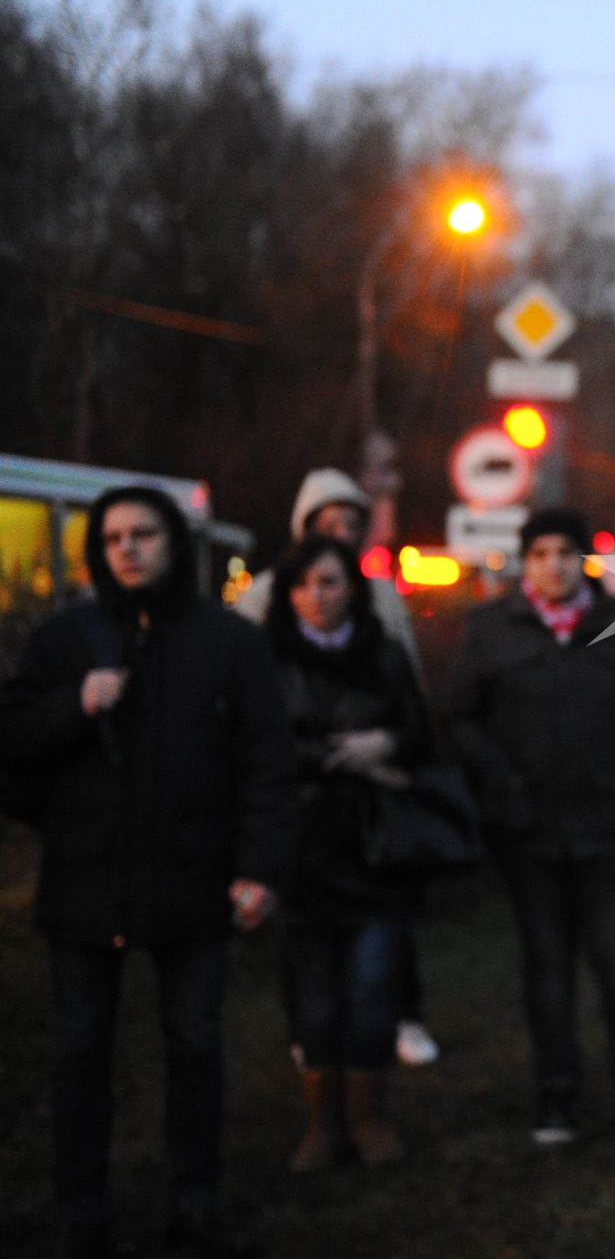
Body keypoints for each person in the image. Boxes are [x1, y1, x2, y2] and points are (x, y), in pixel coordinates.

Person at [0, 487, 295, 1259]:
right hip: (86, 879)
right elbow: (14, 744)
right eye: (114, 537)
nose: (128, 548)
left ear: (175, 543)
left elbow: (267, 764)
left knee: (194, 1042)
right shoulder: (66, 639)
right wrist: (76, 704)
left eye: (145, 534)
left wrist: (257, 867)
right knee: (78, 1049)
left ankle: (197, 1204)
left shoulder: (230, 641)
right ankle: (81, 1213)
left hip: (195, 875)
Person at [443, 508, 615, 1145]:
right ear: (527, 559)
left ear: (585, 558)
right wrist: (502, 785)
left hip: (611, 827)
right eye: (543, 552)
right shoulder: (492, 630)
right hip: (530, 832)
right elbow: (461, 716)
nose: (555, 564)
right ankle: (557, 1098)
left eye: (567, 551)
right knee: (547, 969)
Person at [234, 467, 438, 1067]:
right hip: (302, 814)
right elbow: (254, 710)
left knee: (385, 935)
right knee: (308, 946)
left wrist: (396, 746)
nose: (343, 532)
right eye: (330, 523)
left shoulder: (380, 599)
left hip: (374, 812)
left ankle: (401, 1019)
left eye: (353, 523)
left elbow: (411, 697)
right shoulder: (267, 598)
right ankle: (314, 1045)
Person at [266, 536, 433, 1172]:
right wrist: (332, 756)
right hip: (302, 853)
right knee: (313, 997)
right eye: (304, 583)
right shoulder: (268, 658)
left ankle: (369, 1118)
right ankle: (322, 1125)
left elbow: (421, 735)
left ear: (352, 589)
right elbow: (256, 744)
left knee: (371, 990)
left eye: (330, 582)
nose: (318, 596)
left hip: (373, 849)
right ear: (288, 592)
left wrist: (385, 741)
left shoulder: (384, 656)